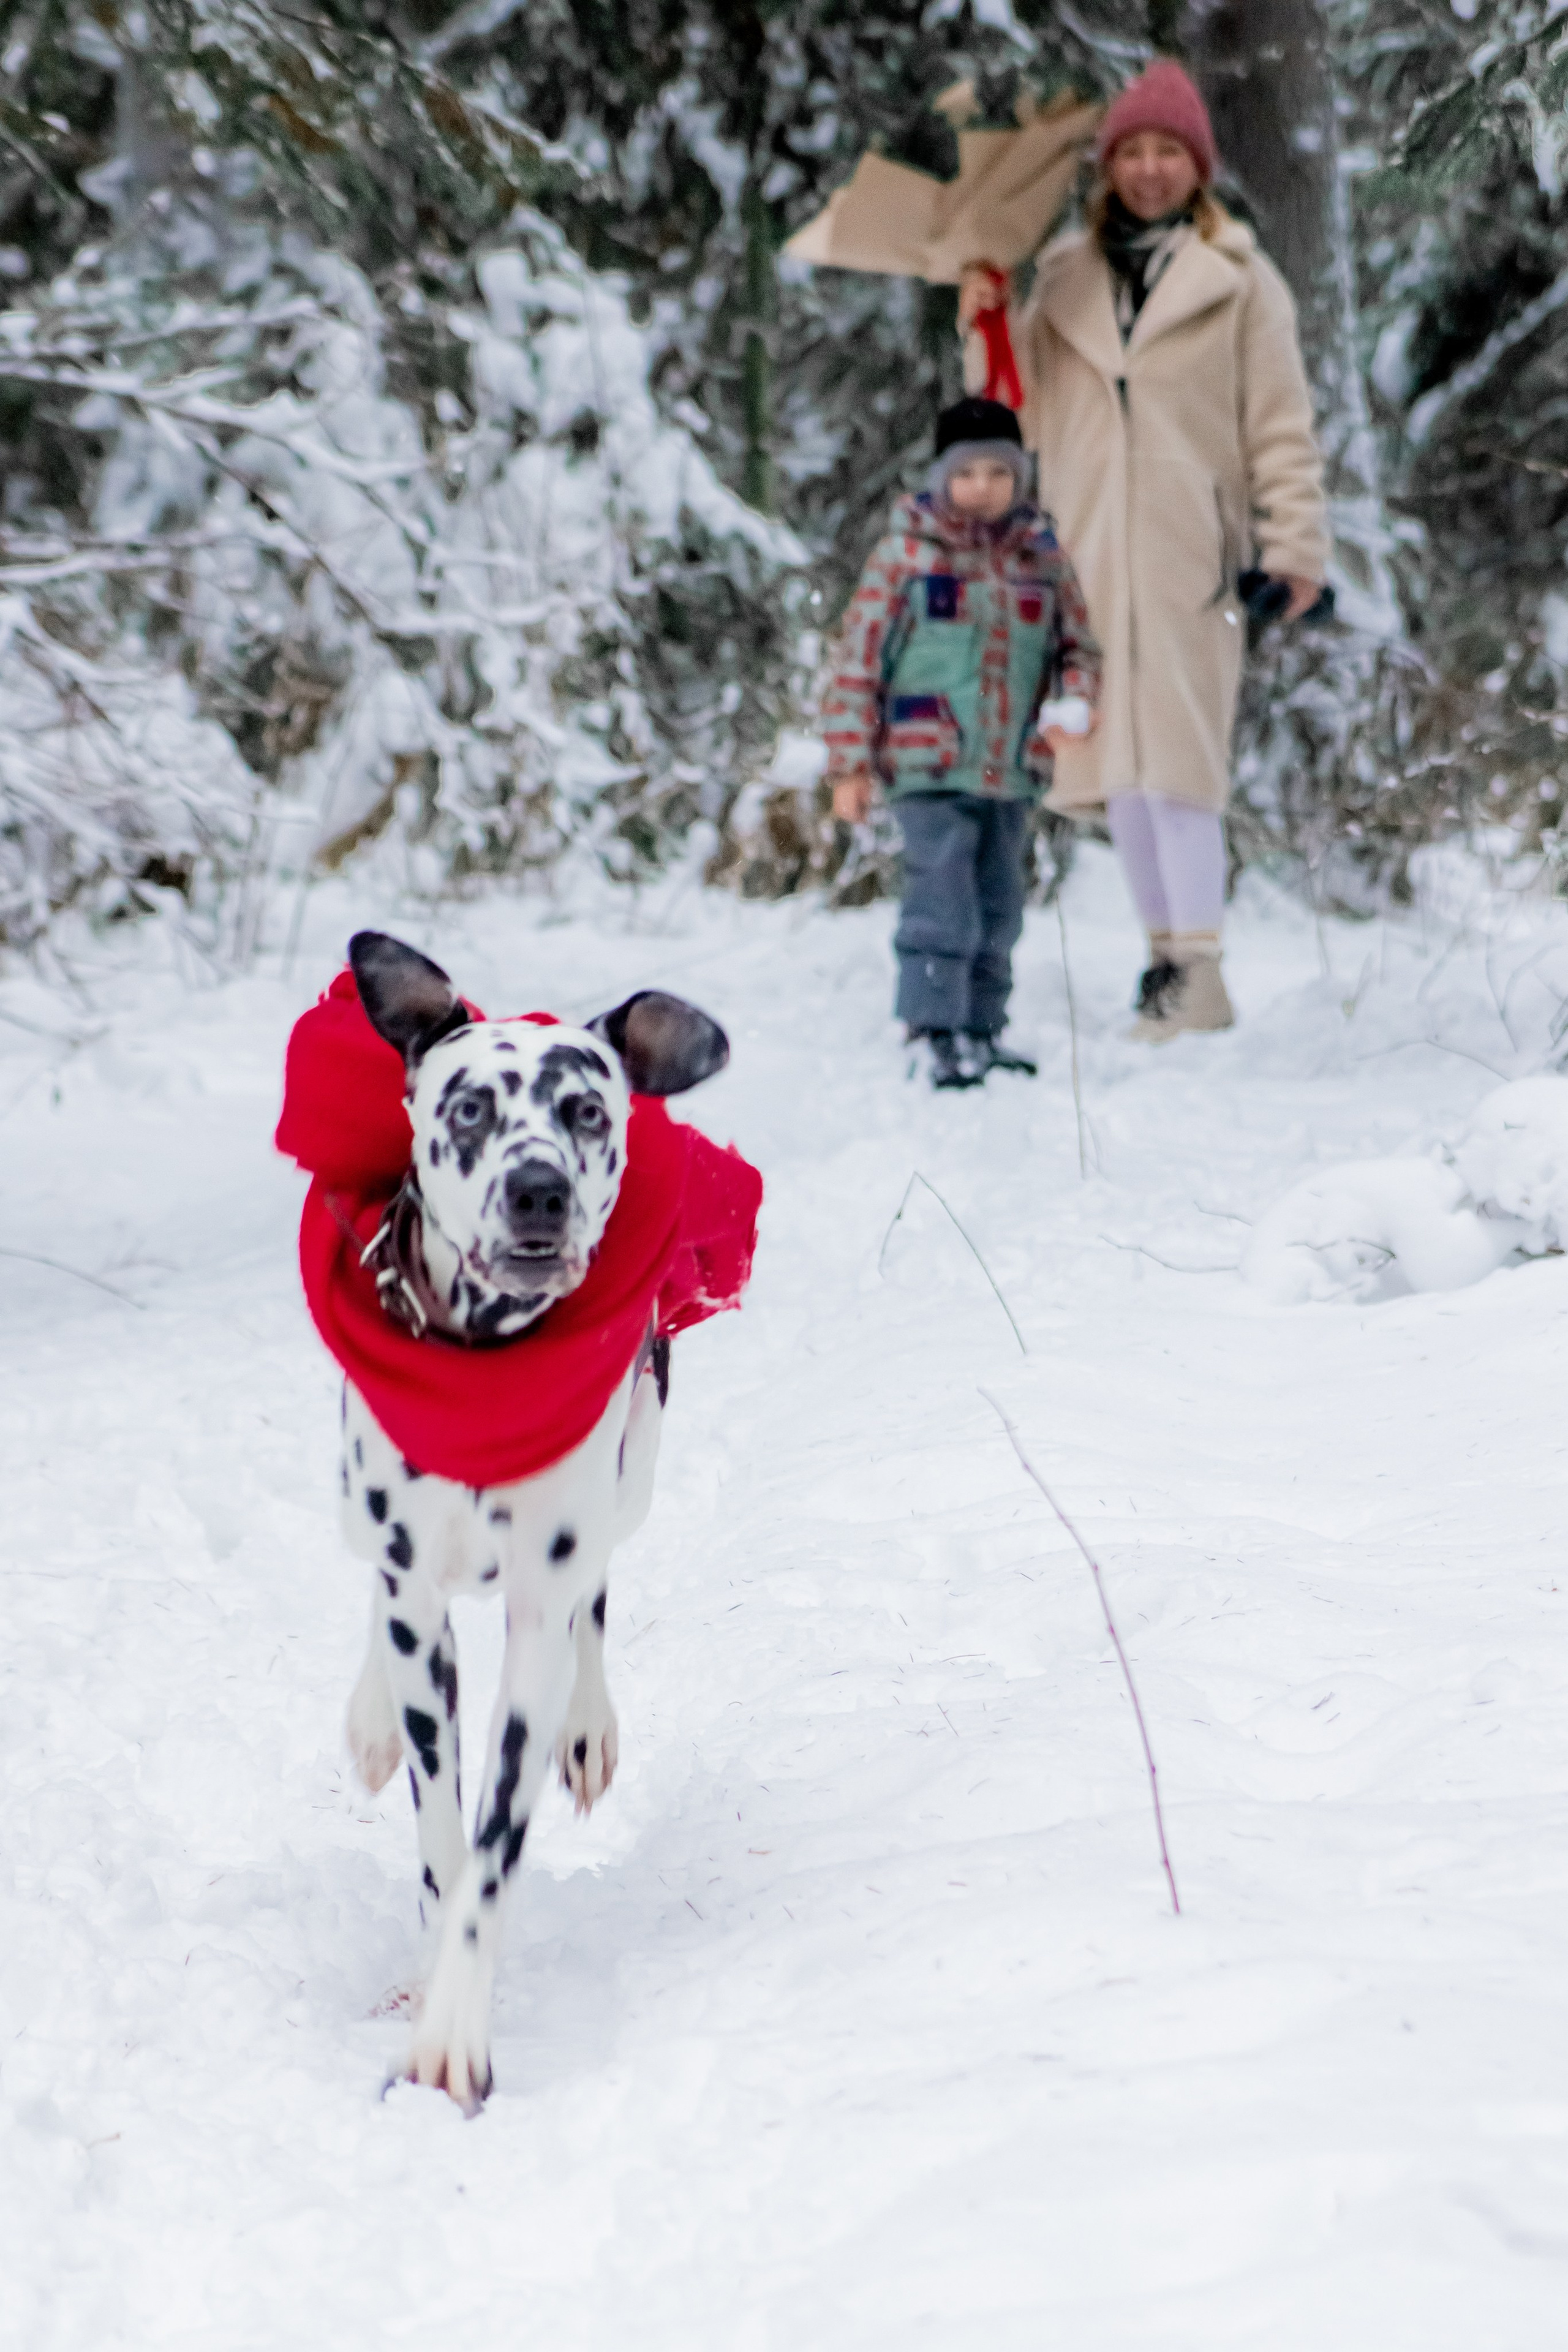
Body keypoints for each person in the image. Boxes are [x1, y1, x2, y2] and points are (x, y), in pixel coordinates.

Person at [958, 59, 1329, 1038]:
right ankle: (1160, 962)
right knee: (1116, 767)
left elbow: (1280, 425)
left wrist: (1294, 548)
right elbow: (1014, 410)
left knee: (1182, 766)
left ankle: (1199, 967)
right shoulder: (1067, 278)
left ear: (1198, 167)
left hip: (1191, 556)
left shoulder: (1243, 282)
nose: (1151, 170)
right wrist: (984, 318)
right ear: (1109, 166)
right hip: (1086, 556)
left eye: (1170, 151)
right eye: (1134, 152)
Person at [823, 395, 1101, 1090]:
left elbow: (1079, 648)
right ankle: (930, 1028)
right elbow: (858, 663)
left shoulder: (1042, 559)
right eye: (968, 472)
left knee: (999, 902)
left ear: (1020, 480)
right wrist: (849, 765)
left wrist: (1074, 699)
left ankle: (982, 1026)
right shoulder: (906, 558)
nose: (983, 488)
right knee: (940, 896)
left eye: (999, 474)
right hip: (926, 761)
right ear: (943, 476)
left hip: (1009, 767)